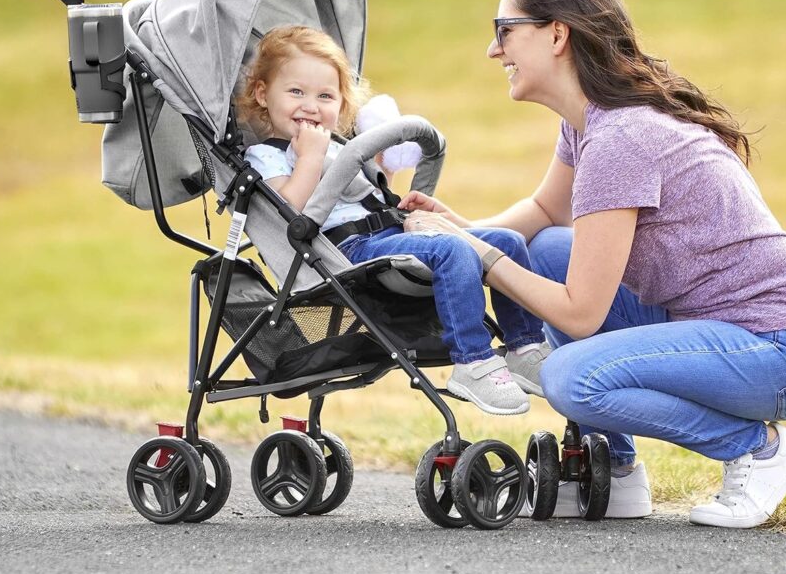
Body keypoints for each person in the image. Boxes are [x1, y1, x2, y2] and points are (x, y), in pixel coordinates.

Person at [398, 0, 786, 528]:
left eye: (503, 30)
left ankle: (759, 451)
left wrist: (483, 258)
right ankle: (620, 472)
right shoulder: (591, 124)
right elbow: (542, 213)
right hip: (734, 331)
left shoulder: (620, 140)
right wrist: (457, 233)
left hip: (784, 350)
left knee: (569, 378)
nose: (494, 50)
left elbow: (580, 315)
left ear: (556, 34)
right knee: (551, 250)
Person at [236, 24, 552, 416]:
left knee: (506, 242)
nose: (311, 106)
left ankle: (524, 346)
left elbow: (361, 194)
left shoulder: (338, 145)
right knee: (453, 251)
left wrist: (399, 203)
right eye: (296, 92)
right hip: (344, 249)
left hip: (387, 230)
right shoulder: (268, 155)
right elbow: (288, 213)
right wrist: (310, 158)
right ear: (263, 94)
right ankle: (472, 361)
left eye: (325, 96)